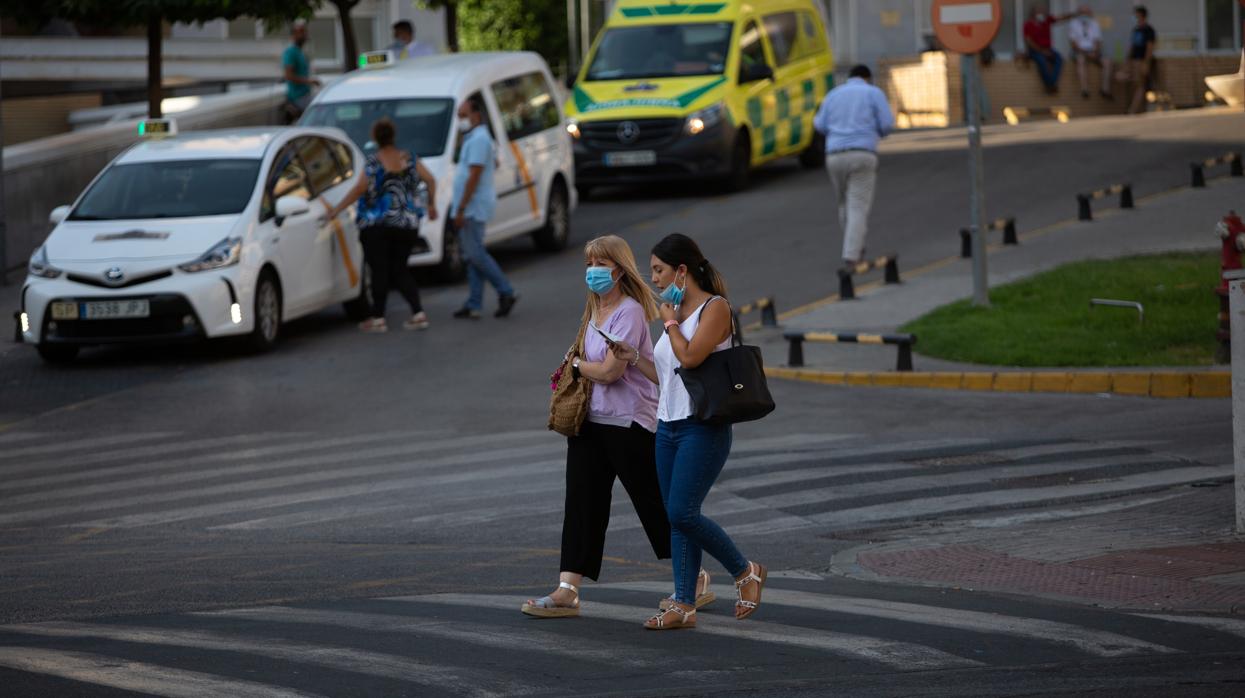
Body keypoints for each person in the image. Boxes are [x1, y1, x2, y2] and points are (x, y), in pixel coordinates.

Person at [521, 235, 686, 618]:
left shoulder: (627, 312)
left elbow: (611, 373)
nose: (593, 271)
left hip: (628, 422)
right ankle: (567, 589)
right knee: (582, 504)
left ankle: (693, 578)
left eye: (600, 264)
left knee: (653, 504)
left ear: (618, 269)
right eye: (589, 264)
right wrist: (583, 365)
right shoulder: (593, 309)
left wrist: (579, 367)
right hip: (589, 421)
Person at [610, 233, 766, 631]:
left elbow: (692, 357)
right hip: (668, 426)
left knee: (682, 511)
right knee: (676, 518)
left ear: (682, 270)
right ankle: (683, 602)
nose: (656, 280)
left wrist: (670, 321)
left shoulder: (715, 309)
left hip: (703, 426)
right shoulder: (675, 315)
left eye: (660, 271)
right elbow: (669, 375)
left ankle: (745, 571)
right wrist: (633, 360)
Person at [322, 118, 437, 332]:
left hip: (377, 224)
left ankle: (378, 318)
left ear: (375, 138)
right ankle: (418, 312)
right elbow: (430, 179)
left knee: (379, 270)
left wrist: (336, 210)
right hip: (407, 223)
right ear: (393, 136)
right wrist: (431, 205)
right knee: (400, 268)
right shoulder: (410, 158)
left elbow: (359, 189)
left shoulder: (374, 163)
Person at [813, 64, 894, 269]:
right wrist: (873, 132)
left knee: (844, 204)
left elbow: (819, 124)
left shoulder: (833, 94)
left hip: (834, 155)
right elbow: (886, 124)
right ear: (868, 77)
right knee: (858, 205)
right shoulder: (873, 92)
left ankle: (857, 246)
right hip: (862, 154)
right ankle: (852, 255)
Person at [450, 96, 518, 320]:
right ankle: (474, 303)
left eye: (463, 115)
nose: (460, 120)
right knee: (472, 255)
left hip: (472, 206)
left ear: (476, 115)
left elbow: (474, 175)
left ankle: (506, 291)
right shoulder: (476, 138)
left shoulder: (478, 139)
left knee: (475, 253)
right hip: (473, 204)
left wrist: (460, 208)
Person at [1024, 5, 1074, 94]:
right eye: (1039, 11)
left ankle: (1051, 83)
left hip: (1048, 49)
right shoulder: (1028, 25)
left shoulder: (1046, 21)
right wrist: (1042, 51)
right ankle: (1051, 85)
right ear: (1033, 13)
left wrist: (1075, 14)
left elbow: (1061, 17)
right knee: (1042, 62)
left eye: (1043, 11)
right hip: (1035, 51)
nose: (1041, 13)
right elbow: (1029, 41)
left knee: (1059, 58)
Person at [1068, 5, 1113, 99]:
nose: (1084, 15)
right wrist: (1086, 53)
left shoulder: (1094, 23)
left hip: (1093, 51)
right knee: (1080, 60)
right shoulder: (1073, 24)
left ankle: (1105, 89)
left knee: (1107, 62)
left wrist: (1095, 52)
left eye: (1086, 12)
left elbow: (1098, 41)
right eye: (1082, 12)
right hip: (1080, 51)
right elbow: (1073, 44)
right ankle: (1084, 90)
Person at [282, 20, 320, 124]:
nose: (304, 35)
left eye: (304, 31)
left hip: (305, 95)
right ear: (294, 34)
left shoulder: (300, 52)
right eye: (301, 32)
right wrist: (309, 81)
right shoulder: (290, 52)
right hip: (298, 98)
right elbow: (288, 75)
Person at [1125, 6, 1157, 114]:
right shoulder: (1136, 30)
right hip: (1134, 61)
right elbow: (1132, 46)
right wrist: (1128, 60)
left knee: (1140, 84)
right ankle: (1139, 109)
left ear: (1141, 15)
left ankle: (1133, 110)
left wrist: (1146, 63)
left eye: (1135, 15)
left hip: (1141, 61)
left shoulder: (1148, 30)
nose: (1134, 17)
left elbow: (1150, 47)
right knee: (1135, 83)